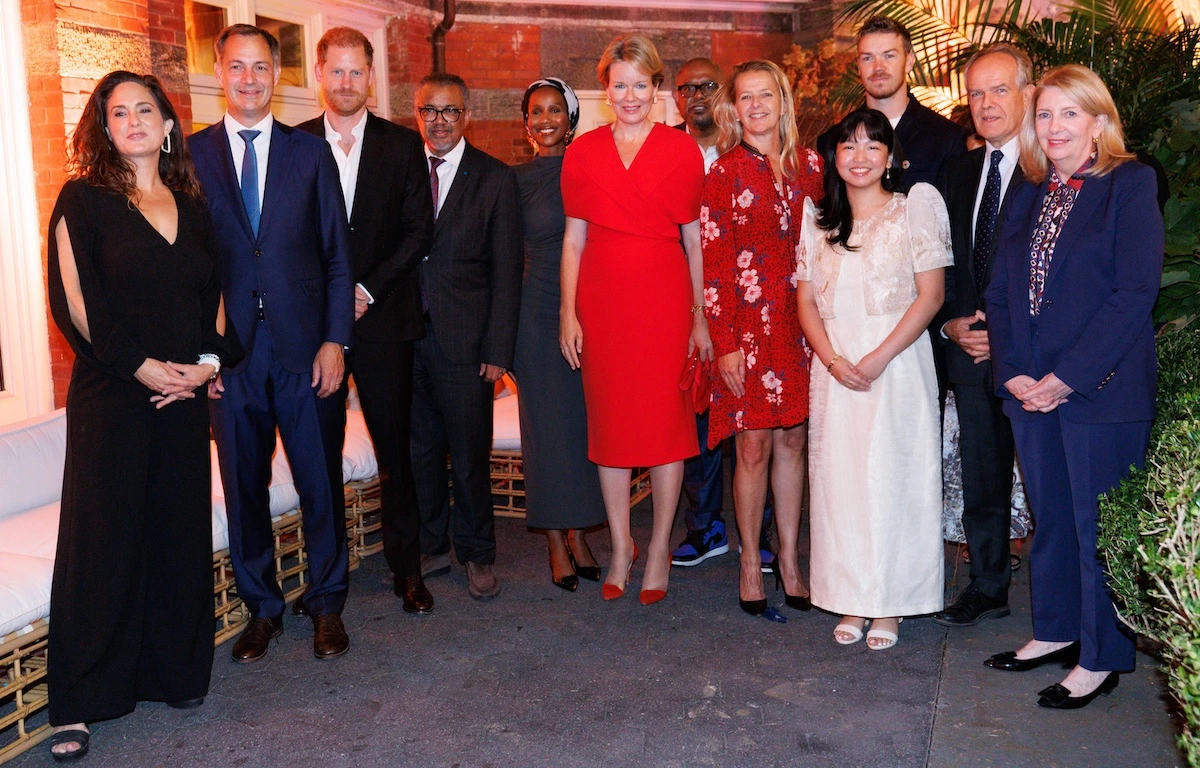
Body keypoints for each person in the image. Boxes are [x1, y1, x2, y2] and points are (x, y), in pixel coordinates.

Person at [44, 70, 238, 762]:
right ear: (104, 127)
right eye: (117, 112)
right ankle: (77, 699)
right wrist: (144, 368)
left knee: (176, 533)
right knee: (102, 547)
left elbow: (215, 294)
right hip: (113, 400)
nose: (132, 121)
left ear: (167, 124)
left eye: (144, 110)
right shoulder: (82, 201)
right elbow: (76, 304)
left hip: (182, 400)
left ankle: (171, 672)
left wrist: (208, 367)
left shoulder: (192, 199)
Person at [982, 65, 1163, 709]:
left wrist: (1066, 378)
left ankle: (1101, 655)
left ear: (1099, 123)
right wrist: (1014, 373)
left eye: (1069, 114)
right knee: (1052, 518)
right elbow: (1002, 291)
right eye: (1044, 115)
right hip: (1029, 389)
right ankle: (1056, 631)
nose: (1053, 127)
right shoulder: (1029, 191)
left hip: (1099, 391)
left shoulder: (1131, 185)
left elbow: (1134, 293)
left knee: (1095, 527)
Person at [191, 24, 355, 663]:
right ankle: (262, 607)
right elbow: (189, 272)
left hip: (304, 350)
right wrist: (206, 355)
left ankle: (327, 603)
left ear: (279, 72)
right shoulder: (193, 156)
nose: (250, 79)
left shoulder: (310, 154)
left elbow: (338, 258)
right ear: (219, 70)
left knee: (320, 485)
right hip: (232, 360)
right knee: (243, 489)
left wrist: (335, 340)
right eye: (238, 67)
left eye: (262, 67)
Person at [560, 34, 710, 605]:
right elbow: (572, 242)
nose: (630, 95)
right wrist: (567, 313)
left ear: (657, 89)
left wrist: (699, 318)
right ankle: (623, 547)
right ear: (605, 89)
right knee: (613, 429)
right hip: (602, 304)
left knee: (667, 430)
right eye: (619, 85)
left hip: (665, 303)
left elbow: (695, 243)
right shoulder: (583, 152)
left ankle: (661, 547)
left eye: (640, 85)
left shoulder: (680, 152)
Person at [797, 108, 950, 650]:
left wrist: (879, 357)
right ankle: (851, 596)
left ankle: (890, 603)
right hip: (835, 367)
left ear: (891, 159)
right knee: (840, 483)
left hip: (898, 364)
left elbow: (930, 296)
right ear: (833, 157)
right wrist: (835, 361)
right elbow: (807, 302)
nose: (859, 158)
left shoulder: (916, 209)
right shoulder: (816, 220)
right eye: (848, 147)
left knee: (893, 477)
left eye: (872, 147)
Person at [297, 27, 435, 615]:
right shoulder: (293, 145)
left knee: (395, 450)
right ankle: (326, 580)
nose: (347, 83)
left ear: (370, 77)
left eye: (357, 72)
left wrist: (364, 288)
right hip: (315, 330)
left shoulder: (404, 146)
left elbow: (417, 231)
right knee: (318, 455)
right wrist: (329, 297)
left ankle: (409, 571)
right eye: (337, 71)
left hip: (384, 323)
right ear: (319, 75)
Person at [701, 60, 823, 620]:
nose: (755, 106)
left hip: (804, 328)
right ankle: (751, 561)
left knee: (794, 440)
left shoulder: (815, 166)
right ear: (733, 108)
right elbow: (714, 264)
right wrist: (724, 341)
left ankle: (790, 561)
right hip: (745, 330)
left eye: (764, 95)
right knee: (750, 446)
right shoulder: (722, 173)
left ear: (782, 100)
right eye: (744, 97)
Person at [410, 72, 523, 601]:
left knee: (470, 454)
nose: (440, 120)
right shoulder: (403, 171)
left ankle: (478, 553)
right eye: (430, 110)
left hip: (468, 344)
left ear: (466, 116)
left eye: (450, 111)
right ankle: (432, 545)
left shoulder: (495, 178)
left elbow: (506, 271)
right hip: (407, 339)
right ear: (418, 116)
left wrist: (498, 351)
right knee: (422, 451)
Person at [932, 44, 1034, 628]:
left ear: (1027, 92)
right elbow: (945, 263)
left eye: (999, 90)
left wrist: (1008, 330)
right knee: (982, 473)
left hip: (1034, 356)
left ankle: (1067, 596)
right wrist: (950, 321)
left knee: (1050, 481)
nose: (986, 104)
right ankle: (987, 584)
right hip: (968, 351)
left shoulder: (1053, 169)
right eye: (975, 93)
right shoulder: (959, 170)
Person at [512, 76, 606, 591]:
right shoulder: (514, 181)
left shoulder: (592, 169)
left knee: (583, 426)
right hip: (537, 313)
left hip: (591, 311)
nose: (545, 119)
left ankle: (580, 532)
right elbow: (503, 260)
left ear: (571, 120)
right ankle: (555, 538)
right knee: (546, 431)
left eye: (555, 110)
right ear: (526, 123)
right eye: (535, 112)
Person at [670, 57, 734, 568]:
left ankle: (763, 536)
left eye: (707, 86)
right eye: (686, 87)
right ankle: (705, 526)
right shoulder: (665, 151)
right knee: (697, 420)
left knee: (755, 423)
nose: (696, 95)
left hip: (748, 299)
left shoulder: (748, 144)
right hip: (683, 303)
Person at [818, 16, 967, 191]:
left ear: (909, 61)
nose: (878, 67)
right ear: (858, 66)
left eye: (889, 56)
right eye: (867, 58)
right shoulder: (832, 141)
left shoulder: (947, 140)